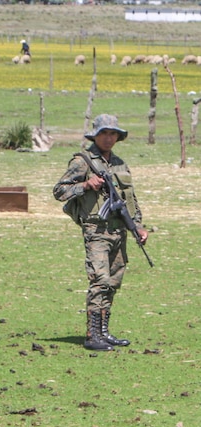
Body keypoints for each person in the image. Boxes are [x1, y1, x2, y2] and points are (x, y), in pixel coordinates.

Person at [53, 114, 149, 351]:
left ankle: (104, 332)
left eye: (113, 134)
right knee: (100, 280)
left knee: (113, 282)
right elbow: (59, 191)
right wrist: (86, 185)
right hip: (96, 231)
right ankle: (92, 335)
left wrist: (137, 225)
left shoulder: (119, 163)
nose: (109, 138)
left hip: (119, 231)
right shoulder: (82, 161)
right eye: (104, 133)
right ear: (95, 135)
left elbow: (131, 199)